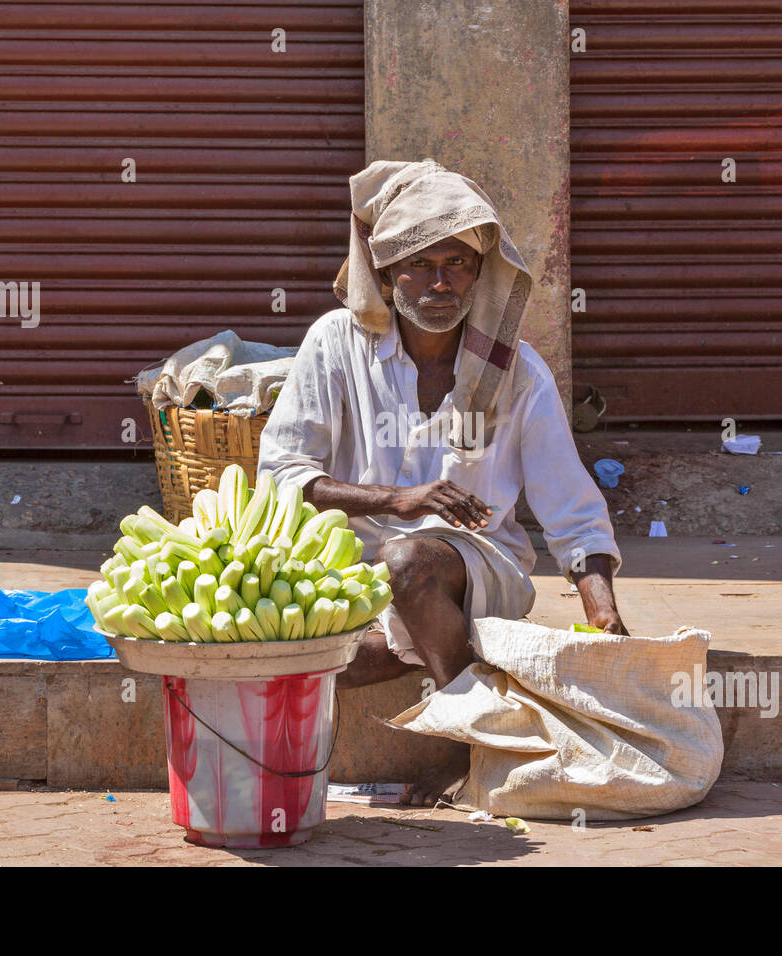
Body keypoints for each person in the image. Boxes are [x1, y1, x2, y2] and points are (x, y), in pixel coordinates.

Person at [257, 158, 625, 806]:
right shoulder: (335, 345)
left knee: (410, 560)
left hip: (481, 567)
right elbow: (283, 472)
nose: (440, 282)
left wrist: (604, 612)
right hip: (354, 569)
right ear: (386, 270)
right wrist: (395, 499)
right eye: (420, 264)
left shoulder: (514, 371)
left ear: (478, 272)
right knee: (310, 653)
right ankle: (433, 651)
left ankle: (471, 742)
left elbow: (571, 505)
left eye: (457, 263)